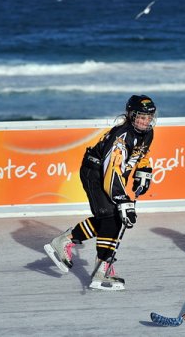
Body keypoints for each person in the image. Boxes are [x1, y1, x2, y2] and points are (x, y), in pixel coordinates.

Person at [44, 95, 156, 291]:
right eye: (141, 116)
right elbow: (111, 173)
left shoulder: (147, 133)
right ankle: (100, 270)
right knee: (112, 218)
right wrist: (122, 200)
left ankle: (65, 242)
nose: (145, 121)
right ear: (131, 115)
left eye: (149, 117)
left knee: (112, 219)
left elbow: (141, 153)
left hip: (108, 175)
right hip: (95, 173)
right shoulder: (122, 136)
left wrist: (143, 170)